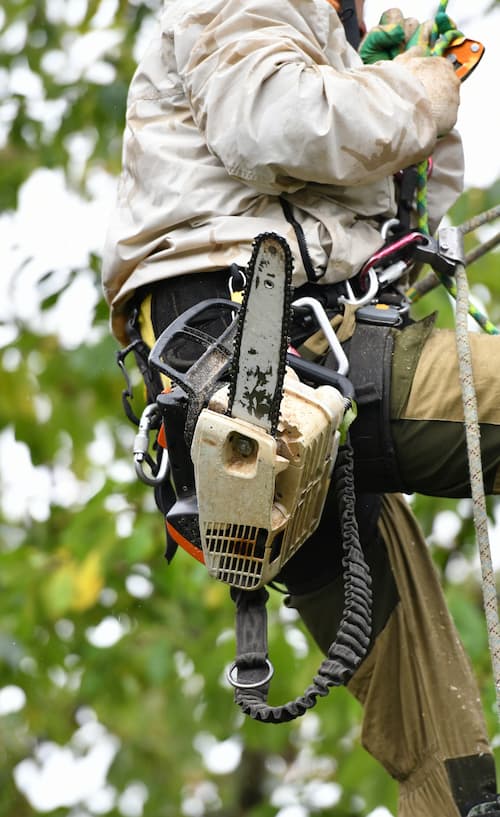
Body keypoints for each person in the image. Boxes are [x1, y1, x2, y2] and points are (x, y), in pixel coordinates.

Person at [102, 1, 500, 814]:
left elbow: (382, 202)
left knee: (441, 756)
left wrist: (402, 100)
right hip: (262, 361)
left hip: (298, 403)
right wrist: (414, 89)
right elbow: (274, 125)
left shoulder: (313, 33)